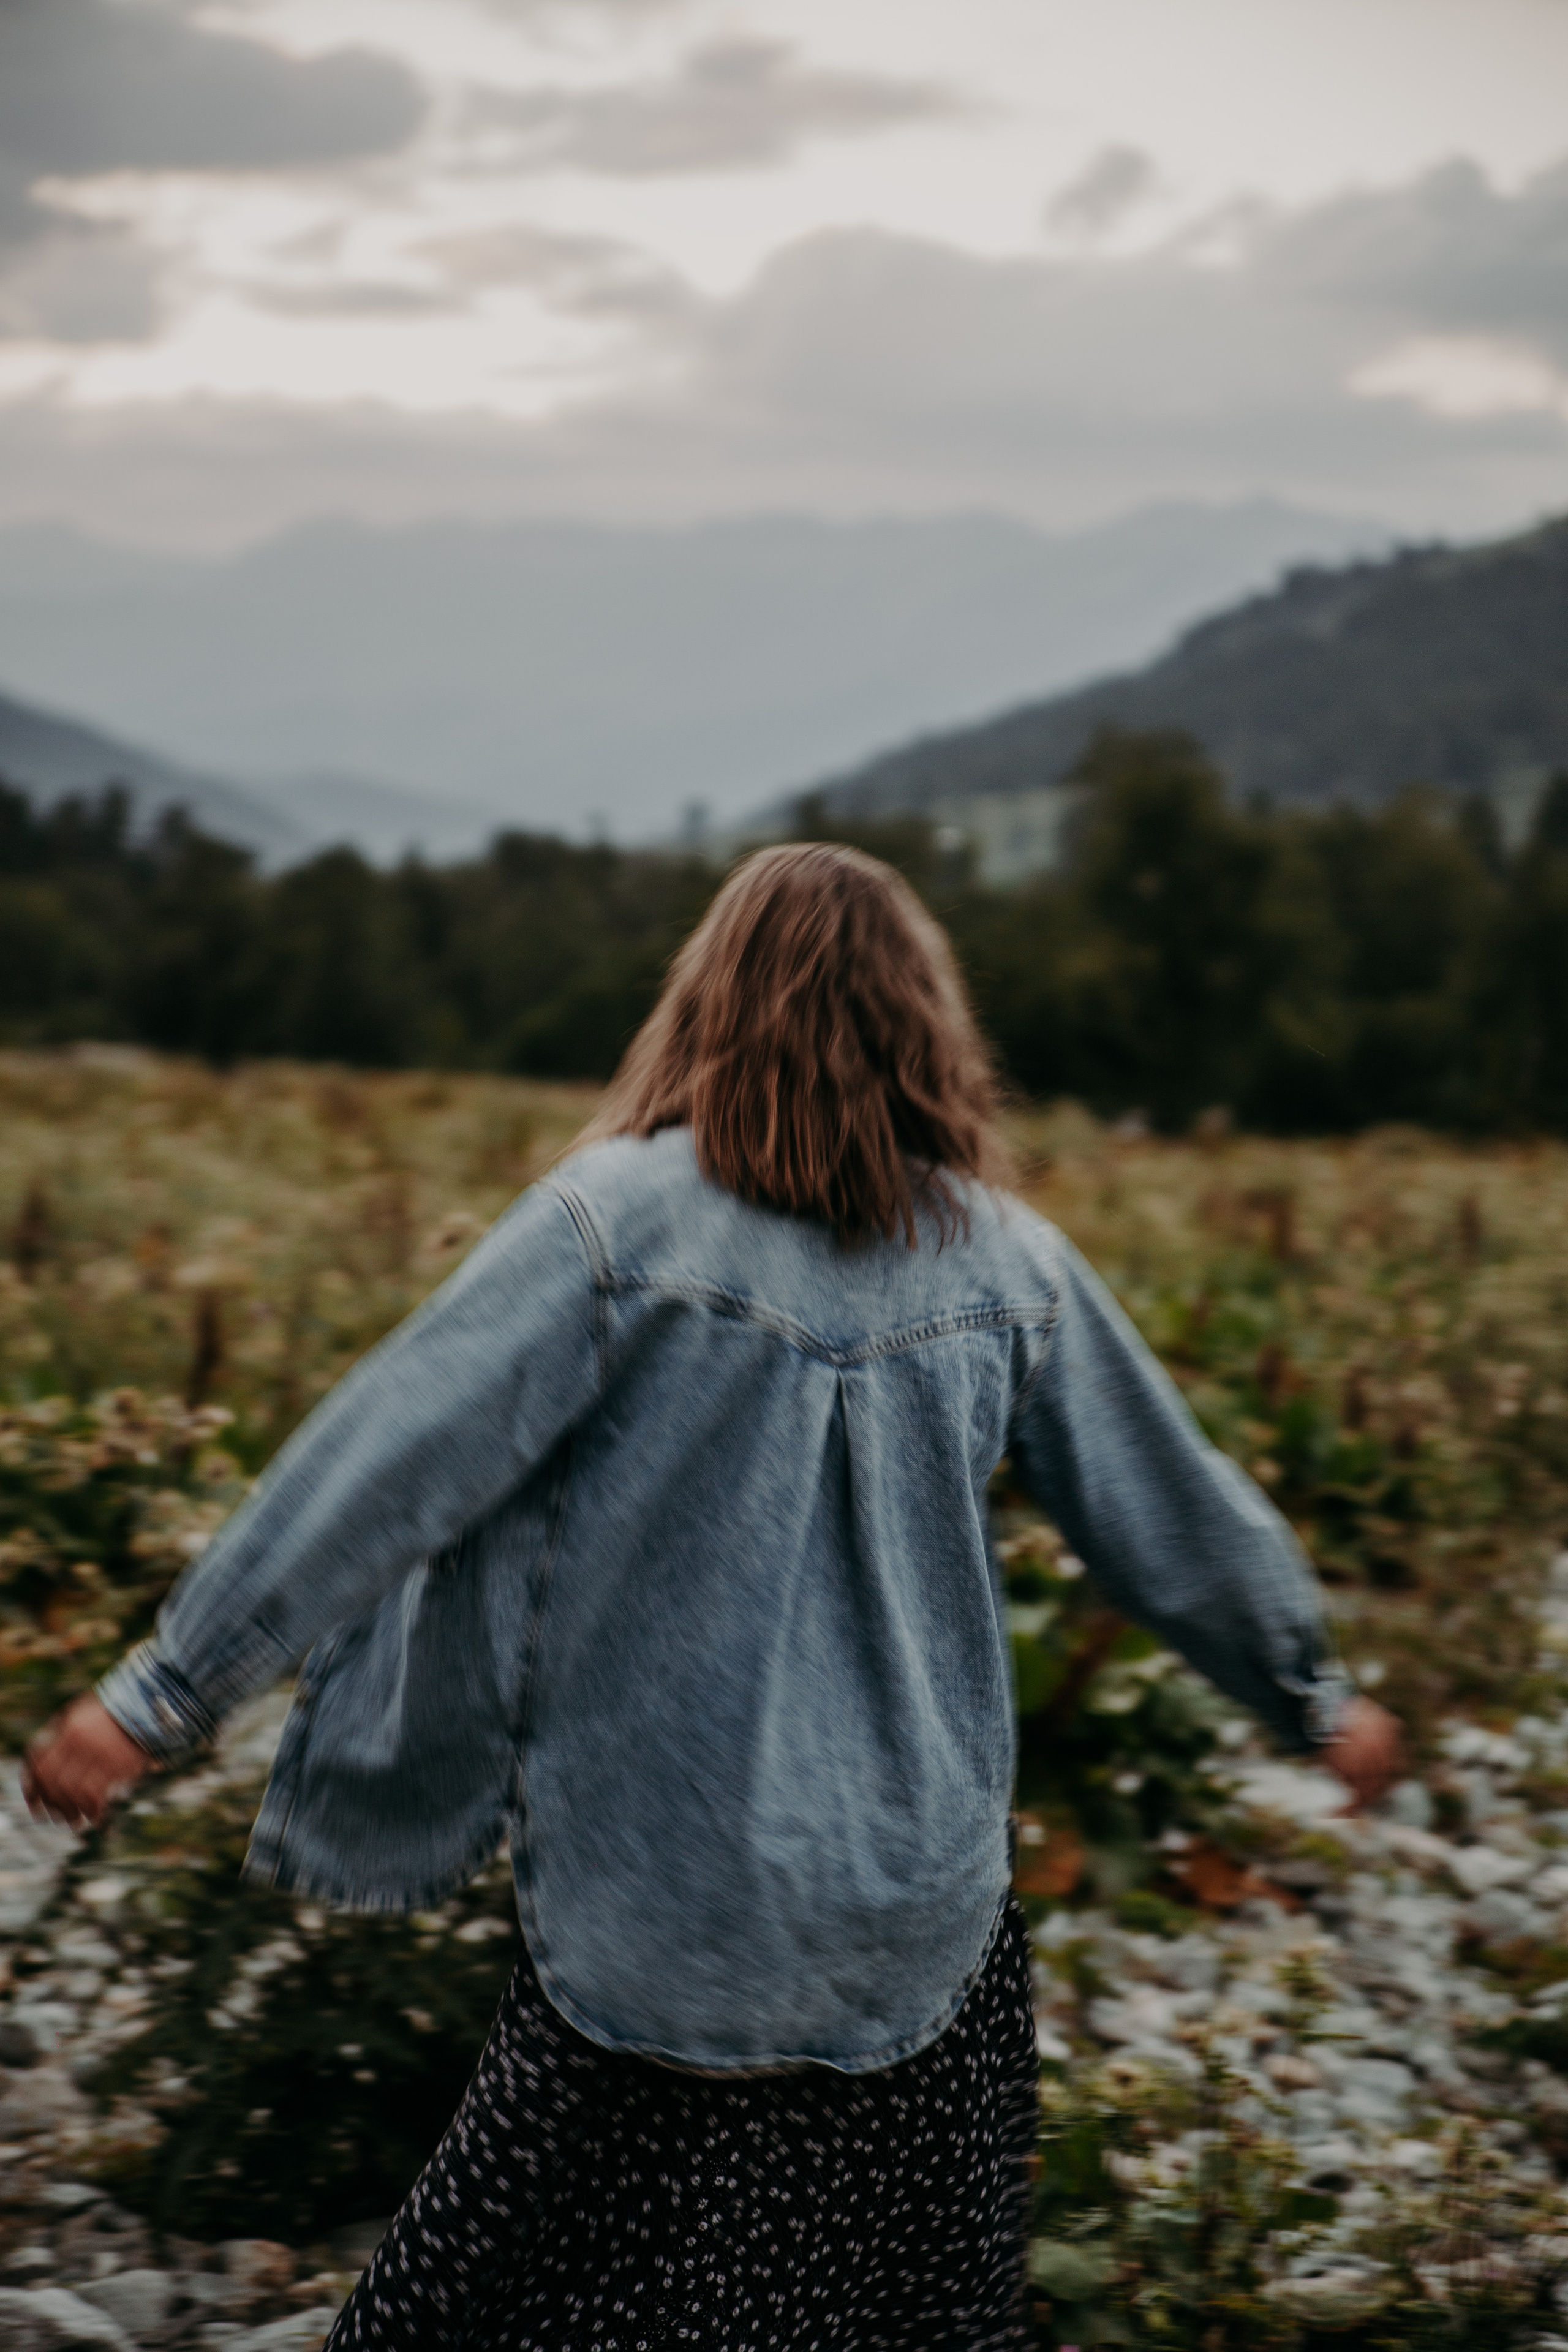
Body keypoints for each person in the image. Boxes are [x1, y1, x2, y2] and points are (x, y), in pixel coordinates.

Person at [26, 842, 1400, 2350]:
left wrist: (160, 1695)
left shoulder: (611, 1229)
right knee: (905, 2318)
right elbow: (1175, 1511)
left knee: (499, 2314)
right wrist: (1308, 1695)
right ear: (924, 1026)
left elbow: (381, 1462)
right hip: (916, 1910)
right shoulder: (1011, 1264)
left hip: (670, 1903)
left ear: (709, 1002)